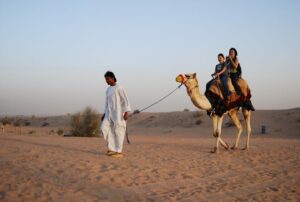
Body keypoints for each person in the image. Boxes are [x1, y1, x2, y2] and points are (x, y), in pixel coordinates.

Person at [100, 71, 131, 158]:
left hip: (118, 114)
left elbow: (125, 100)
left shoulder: (119, 87)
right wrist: (104, 114)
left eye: (107, 79)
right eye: (105, 79)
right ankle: (111, 148)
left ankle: (118, 151)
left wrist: (126, 112)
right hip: (108, 114)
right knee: (104, 128)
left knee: (119, 131)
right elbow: (106, 103)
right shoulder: (108, 90)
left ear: (112, 78)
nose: (106, 81)